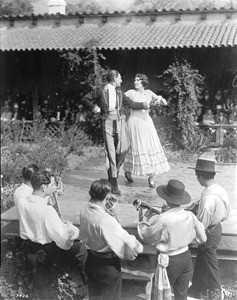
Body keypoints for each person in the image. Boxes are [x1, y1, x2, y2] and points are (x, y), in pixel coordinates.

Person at [81, 70, 149, 195]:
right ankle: (114, 184)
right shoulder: (101, 90)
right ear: (114, 78)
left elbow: (132, 104)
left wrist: (146, 104)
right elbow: (85, 99)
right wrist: (95, 108)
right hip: (107, 123)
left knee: (123, 150)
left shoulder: (119, 92)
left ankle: (114, 173)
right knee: (111, 154)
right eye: (120, 78)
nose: (121, 80)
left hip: (120, 124)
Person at [137, 179, 206, 300]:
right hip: (186, 256)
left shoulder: (163, 219)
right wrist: (187, 240)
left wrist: (145, 220)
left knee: (159, 294)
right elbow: (203, 238)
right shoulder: (190, 215)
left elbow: (147, 237)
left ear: (167, 198)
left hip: (169, 260)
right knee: (181, 293)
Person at [16, 170, 87, 279]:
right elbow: (63, 242)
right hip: (45, 254)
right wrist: (71, 228)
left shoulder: (22, 202)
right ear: (44, 187)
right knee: (81, 248)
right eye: (53, 185)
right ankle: (84, 279)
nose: (55, 188)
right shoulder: (47, 210)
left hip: (30, 250)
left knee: (39, 290)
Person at [79, 179, 143, 300]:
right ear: (107, 196)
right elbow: (132, 243)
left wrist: (109, 213)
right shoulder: (106, 221)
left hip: (91, 259)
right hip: (107, 266)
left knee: (94, 296)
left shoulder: (84, 209)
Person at [188, 158, 230, 297]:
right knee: (201, 260)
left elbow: (201, 224)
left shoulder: (208, 200)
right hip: (217, 227)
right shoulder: (219, 189)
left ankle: (217, 291)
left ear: (200, 176)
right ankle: (196, 289)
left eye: (196, 175)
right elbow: (226, 214)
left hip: (208, 232)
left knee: (210, 263)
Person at [123, 74, 170, 188]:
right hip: (134, 122)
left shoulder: (149, 93)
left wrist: (159, 98)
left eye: (138, 80)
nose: (136, 82)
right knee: (134, 147)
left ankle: (151, 177)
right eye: (135, 80)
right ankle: (128, 171)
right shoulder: (130, 93)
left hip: (146, 123)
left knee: (150, 147)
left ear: (143, 82)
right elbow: (120, 99)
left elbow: (165, 103)